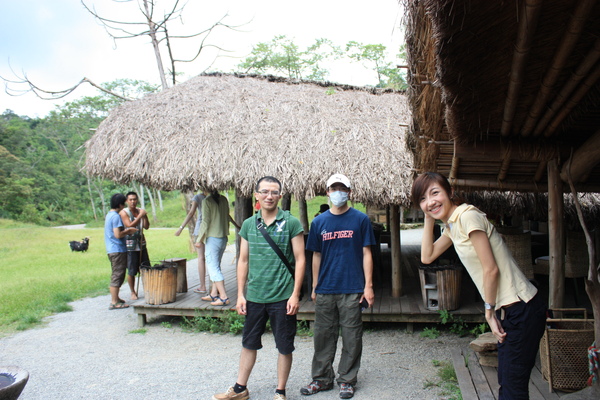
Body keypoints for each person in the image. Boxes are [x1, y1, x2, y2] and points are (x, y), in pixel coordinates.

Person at [411, 172, 546, 400]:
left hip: (522, 308)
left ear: (450, 192)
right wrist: (428, 216)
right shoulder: (453, 226)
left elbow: (490, 269)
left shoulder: (467, 216)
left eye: (435, 193)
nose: (430, 201)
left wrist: (489, 312)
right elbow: (427, 256)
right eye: (422, 198)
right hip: (514, 310)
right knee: (508, 384)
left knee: (512, 389)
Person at [213, 176, 306, 400]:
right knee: (249, 343)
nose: (269, 196)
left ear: (280, 196)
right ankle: (239, 388)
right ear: (256, 195)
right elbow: (243, 260)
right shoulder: (248, 224)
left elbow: (300, 259)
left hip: (283, 295)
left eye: (274, 192)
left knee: (284, 346)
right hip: (254, 295)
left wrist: (295, 295)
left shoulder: (291, 223)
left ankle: (280, 391)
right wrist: (240, 295)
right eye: (264, 191)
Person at [301, 174, 375, 399]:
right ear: (327, 192)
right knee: (323, 336)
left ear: (349, 192)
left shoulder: (360, 220)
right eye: (334, 188)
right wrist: (314, 285)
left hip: (352, 287)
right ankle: (321, 379)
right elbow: (316, 255)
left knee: (352, 336)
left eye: (342, 188)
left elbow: (366, 253)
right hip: (325, 288)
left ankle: (347, 380)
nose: (338, 192)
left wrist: (368, 286)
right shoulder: (319, 222)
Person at [196, 190, 239, 306]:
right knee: (216, 266)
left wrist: (199, 239)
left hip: (213, 238)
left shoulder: (207, 201)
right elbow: (227, 216)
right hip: (223, 237)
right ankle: (214, 294)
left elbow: (205, 221)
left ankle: (224, 297)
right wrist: (237, 226)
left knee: (213, 267)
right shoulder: (224, 199)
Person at [104, 193, 138, 310]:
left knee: (118, 273)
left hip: (112, 249)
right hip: (117, 249)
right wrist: (129, 231)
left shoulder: (109, 215)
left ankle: (117, 298)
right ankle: (114, 302)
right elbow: (117, 234)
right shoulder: (116, 217)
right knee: (117, 275)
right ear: (120, 204)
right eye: (123, 203)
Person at [175, 190, 208, 294]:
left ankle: (202, 286)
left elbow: (191, 213)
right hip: (211, 229)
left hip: (200, 229)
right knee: (212, 258)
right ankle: (214, 286)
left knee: (201, 258)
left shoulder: (198, 197)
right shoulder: (215, 197)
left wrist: (181, 228)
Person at [119, 191, 150, 300]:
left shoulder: (140, 211)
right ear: (127, 201)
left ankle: (148, 288)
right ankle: (132, 292)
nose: (133, 202)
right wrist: (140, 216)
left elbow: (146, 226)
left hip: (141, 243)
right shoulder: (124, 212)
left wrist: (144, 216)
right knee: (132, 269)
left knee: (146, 267)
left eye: (135, 199)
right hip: (130, 244)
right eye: (130, 200)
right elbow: (129, 225)